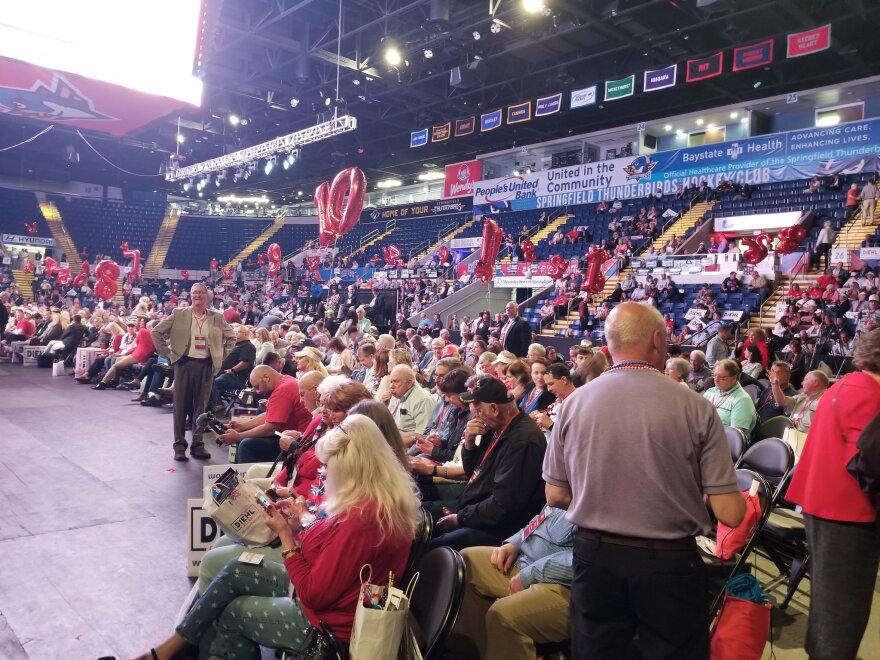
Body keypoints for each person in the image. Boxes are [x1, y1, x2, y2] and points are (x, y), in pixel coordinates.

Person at [543, 302, 744, 659]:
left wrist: (604, 500)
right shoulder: (697, 407)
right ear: (656, 339)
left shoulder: (574, 404)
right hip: (669, 564)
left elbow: (555, 493)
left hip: (595, 557)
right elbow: (730, 512)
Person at [138, 414, 420, 660]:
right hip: (333, 604)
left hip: (324, 625)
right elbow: (335, 560)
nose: (328, 471)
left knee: (230, 612)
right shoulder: (380, 501)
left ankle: (178, 649)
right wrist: (300, 526)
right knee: (236, 569)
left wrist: (286, 535)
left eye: (332, 464)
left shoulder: (361, 518)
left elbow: (314, 594)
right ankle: (174, 646)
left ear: (351, 466)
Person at [785, 329, 880, 659]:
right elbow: (868, 458)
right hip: (849, 511)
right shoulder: (872, 393)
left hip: (821, 502)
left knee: (828, 602)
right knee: (845, 610)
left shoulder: (845, 385)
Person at [429, 376, 547, 551]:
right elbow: (473, 473)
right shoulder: (495, 427)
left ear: (494, 408)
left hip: (501, 527)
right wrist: (469, 444)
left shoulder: (523, 441)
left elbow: (503, 506)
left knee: (432, 546)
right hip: (475, 506)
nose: (473, 411)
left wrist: (460, 518)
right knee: (420, 513)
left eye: (477, 406)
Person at [451, 505, 576, 660]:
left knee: (504, 615)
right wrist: (514, 543)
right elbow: (541, 519)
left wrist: (531, 573)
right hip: (528, 561)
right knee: (465, 563)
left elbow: (589, 562)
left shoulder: (598, 496)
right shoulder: (564, 487)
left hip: (567, 584)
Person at [151, 283, 236, 461]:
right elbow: (157, 332)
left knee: (202, 407)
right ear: (190, 296)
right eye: (194, 293)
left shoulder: (216, 317)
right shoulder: (178, 313)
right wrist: (168, 355)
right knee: (180, 406)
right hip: (183, 364)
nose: (197, 295)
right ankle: (179, 446)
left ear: (207, 297)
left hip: (206, 366)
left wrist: (220, 356)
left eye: (201, 293)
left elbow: (232, 337)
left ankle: (197, 445)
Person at [217, 365, 312, 463]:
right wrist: (242, 426)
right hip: (293, 435)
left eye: (257, 387)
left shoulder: (282, 391)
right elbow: (270, 415)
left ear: (267, 377)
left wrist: (239, 436)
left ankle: (246, 477)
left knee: (247, 445)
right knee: (244, 437)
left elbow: (270, 428)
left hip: (297, 441)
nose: (258, 391)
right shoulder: (286, 380)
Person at [703, 359, 757, 437]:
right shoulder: (710, 391)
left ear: (734, 378)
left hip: (723, 444)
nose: (716, 380)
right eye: (715, 375)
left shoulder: (743, 400)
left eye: (722, 377)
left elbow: (734, 436)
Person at [208, 324, 256, 410]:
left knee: (215, 383)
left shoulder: (248, 347)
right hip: (223, 372)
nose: (235, 333)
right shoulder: (235, 345)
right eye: (235, 331)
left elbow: (245, 363)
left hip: (236, 376)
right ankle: (217, 403)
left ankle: (213, 407)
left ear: (246, 334)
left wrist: (233, 370)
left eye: (238, 332)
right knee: (206, 380)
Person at [769, 368, 829, 433]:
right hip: (792, 435)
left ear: (815, 382)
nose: (802, 383)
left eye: (806, 380)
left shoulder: (826, 401)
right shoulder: (803, 396)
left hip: (806, 440)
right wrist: (775, 384)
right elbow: (782, 401)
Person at [388, 364, 435, 439]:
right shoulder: (400, 395)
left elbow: (422, 435)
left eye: (396, 382)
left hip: (408, 447)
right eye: (391, 382)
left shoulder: (422, 400)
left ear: (409, 383)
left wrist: (395, 445)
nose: (391, 386)